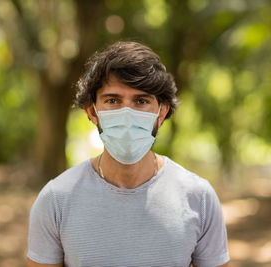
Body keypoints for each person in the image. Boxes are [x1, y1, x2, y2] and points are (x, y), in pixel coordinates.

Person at [27, 41, 230, 267]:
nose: (127, 114)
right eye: (113, 101)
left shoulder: (199, 198)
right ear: (92, 111)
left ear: (161, 112)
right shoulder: (56, 200)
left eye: (141, 101)